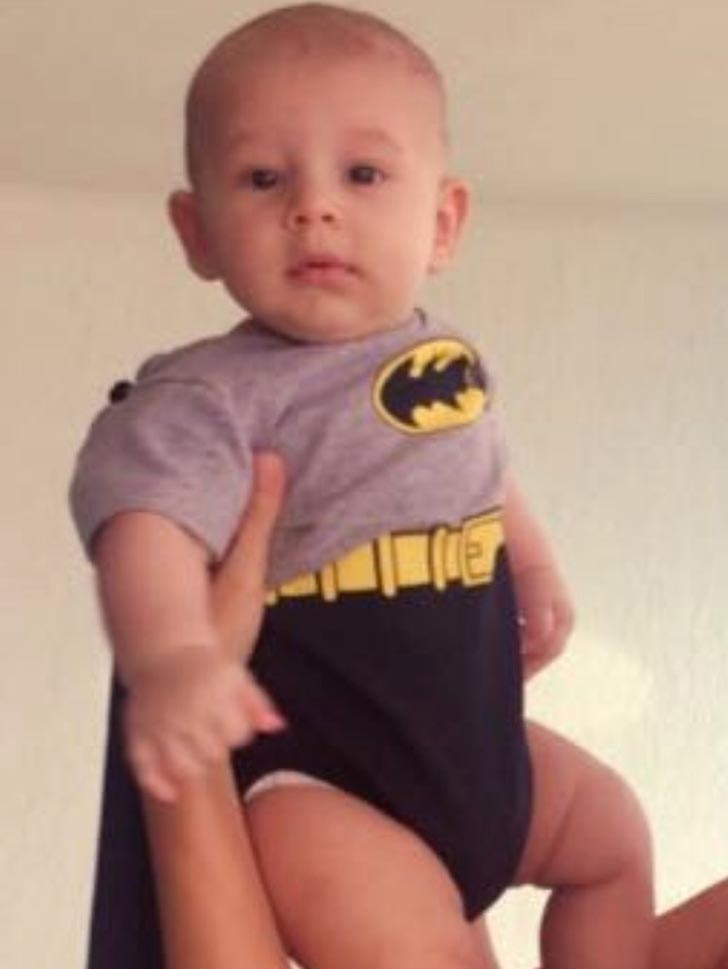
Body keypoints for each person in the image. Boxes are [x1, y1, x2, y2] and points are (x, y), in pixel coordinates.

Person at [69, 5, 653, 968]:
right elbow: (143, 524)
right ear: (196, 230)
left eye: (364, 174)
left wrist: (535, 568)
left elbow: (478, 459)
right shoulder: (210, 395)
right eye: (264, 178)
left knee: (613, 838)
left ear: (443, 222)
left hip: (483, 758)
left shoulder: (441, 356)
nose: (314, 207)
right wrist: (172, 656)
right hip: (324, 787)